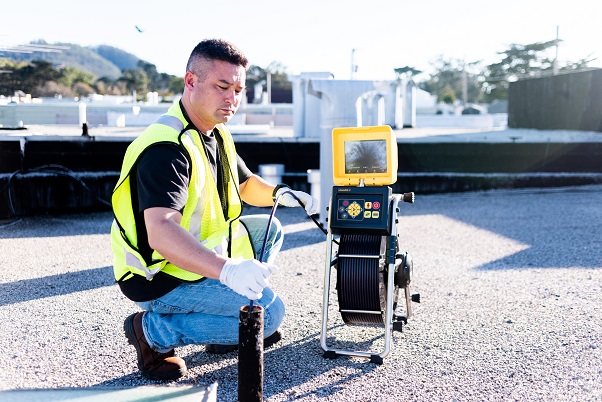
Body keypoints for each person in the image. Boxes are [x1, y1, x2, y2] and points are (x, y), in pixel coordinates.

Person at [110, 38, 318, 381]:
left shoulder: (215, 132)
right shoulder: (167, 147)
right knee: (269, 314)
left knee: (273, 229)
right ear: (190, 81)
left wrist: (284, 194)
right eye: (223, 87)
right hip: (159, 275)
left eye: (238, 89)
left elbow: (245, 183)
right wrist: (228, 272)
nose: (232, 99)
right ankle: (151, 333)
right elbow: (161, 230)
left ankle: (223, 327)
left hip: (198, 255)